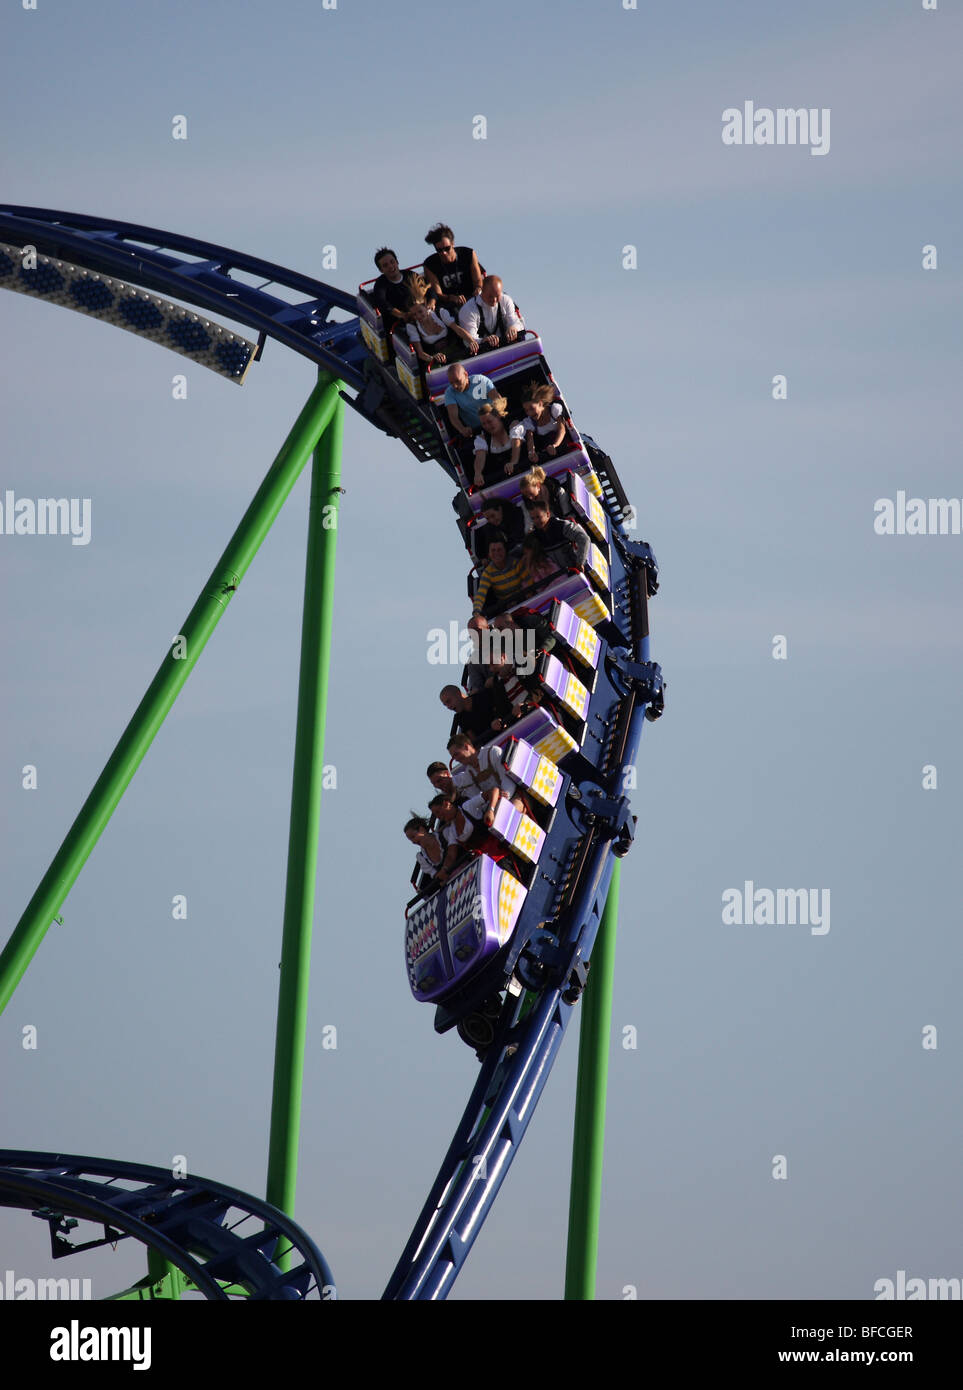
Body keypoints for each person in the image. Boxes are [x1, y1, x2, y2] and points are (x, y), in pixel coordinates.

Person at [447, 733, 527, 820]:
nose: (456, 759)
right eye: (453, 757)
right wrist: (492, 805)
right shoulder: (469, 775)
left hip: (518, 795)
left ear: (466, 747)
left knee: (507, 816)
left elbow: (509, 783)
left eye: (456, 754)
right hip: (495, 809)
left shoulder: (492, 752)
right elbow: (480, 803)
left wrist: (498, 800)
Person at [405, 282, 476, 367]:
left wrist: (472, 342)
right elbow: (420, 354)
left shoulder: (440, 313)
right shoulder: (412, 327)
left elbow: (458, 330)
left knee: (460, 365)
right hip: (433, 359)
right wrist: (433, 358)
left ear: (425, 305)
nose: (418, 316)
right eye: (414, 314)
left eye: (420, 311)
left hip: (454, 351)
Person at [422, 224, 484, 307]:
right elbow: (438, 294)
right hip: (449, 305)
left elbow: (478, 280)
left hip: (472, 299)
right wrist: (451, 298)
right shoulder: (430, 264)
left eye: (447, 248)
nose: (444, 253)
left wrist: (478, 289)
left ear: (453, 244)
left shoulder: (468, 254)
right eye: (439, 250)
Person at [458, 276, 524, 351]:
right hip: (482, 352)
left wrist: (513, 328)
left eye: (497, 296)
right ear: (482, 290)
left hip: (506, 347)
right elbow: (470, 340)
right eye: (490, 296)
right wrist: (483, 341)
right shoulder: (468, 309)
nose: (494, 300)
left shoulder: (506, 300)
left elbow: (516, 322)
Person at [471, 397, 525, 489]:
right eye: (484, 424)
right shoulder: (482, 439)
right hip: (505, 482)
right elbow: (480, 457)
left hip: (526, 471)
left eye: (489, 421)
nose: (487, 426)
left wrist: (513, 462)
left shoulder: (513, 426)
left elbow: (516, 445)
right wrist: (478, 473)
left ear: (498, 417)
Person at [472, 533, 527, 616]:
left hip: (525, 602)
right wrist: (476, 611)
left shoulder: (516, 563)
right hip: (507, 610)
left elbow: (529, 582)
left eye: (499, 550)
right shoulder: (488, 573)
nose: (496, 553)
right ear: (489, 554)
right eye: (493, 550)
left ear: (505, 550)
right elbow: (481, 594)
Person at [527, 499, 590, 569]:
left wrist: (580, 562)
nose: (536, 521)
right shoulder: (536, 535)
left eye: (538, 517)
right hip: (562, 575)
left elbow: (584, 538)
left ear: (548, 514)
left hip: (578, 568)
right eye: (533, 518)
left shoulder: (561, 525)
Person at [369, 247, 417, 339]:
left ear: (397, 262)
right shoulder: (380, 285)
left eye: (392, 262)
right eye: (385, 265)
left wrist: (431, 303)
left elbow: (427, 290)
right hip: (400, 323)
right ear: (381, 270)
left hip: (420, 314)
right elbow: (383, 304)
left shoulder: (410, 275)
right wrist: (402, 315)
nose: (390, 266)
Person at [439, 683, 510, 743]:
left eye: (449, 701)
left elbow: (503, 710)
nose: (448, 707)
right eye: (445, 705)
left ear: (458, 694)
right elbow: (475, 741)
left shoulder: (483, 696)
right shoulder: (461, 718)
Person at [444, 363, 498, 438]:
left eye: (457, 381)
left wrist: (497, 419)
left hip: (496, 424)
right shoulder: (449, 392)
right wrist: (462, 429)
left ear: (466, 374)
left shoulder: (480, 380)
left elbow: (498, 400)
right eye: (451, 383)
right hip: (478, 432)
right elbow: (453, 417)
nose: (455, 386)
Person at [521, 383, 567, 461]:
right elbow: (530, 440)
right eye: (526, 410)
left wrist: (554, 445)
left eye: (532, 408)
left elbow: (562, 430)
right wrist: (531, 453)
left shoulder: (554, 410)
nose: (530, 413)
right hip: (548, 454)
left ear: (540, 404)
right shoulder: (529, 422)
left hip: (564, 446)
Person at [475, 497, 525, 562]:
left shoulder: (516, 514)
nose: (491, 520)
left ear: (500, 509)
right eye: (488, 518)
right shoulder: (490, 527)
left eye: (493, 516)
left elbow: (519, 536)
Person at [405, 815, 445, 890]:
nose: (413, 842)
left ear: (421, 830)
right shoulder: (421, 857)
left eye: (413, 837)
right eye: (411, 840)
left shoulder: (444, 835)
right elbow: (437, 876)